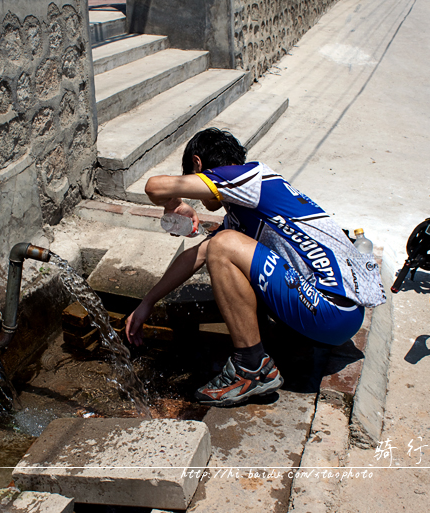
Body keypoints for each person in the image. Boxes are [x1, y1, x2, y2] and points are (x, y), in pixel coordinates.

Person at [124, 128, 386, 407]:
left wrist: (174, 200)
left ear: (198, 166)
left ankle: (250, 368)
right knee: (221, 245)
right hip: (341, 317)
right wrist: (148, 302)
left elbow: (153, 186)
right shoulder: (246, 207)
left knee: (222, 245)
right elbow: (195, 257)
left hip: (330, 312)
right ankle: (271, 345)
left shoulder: (246, 177)